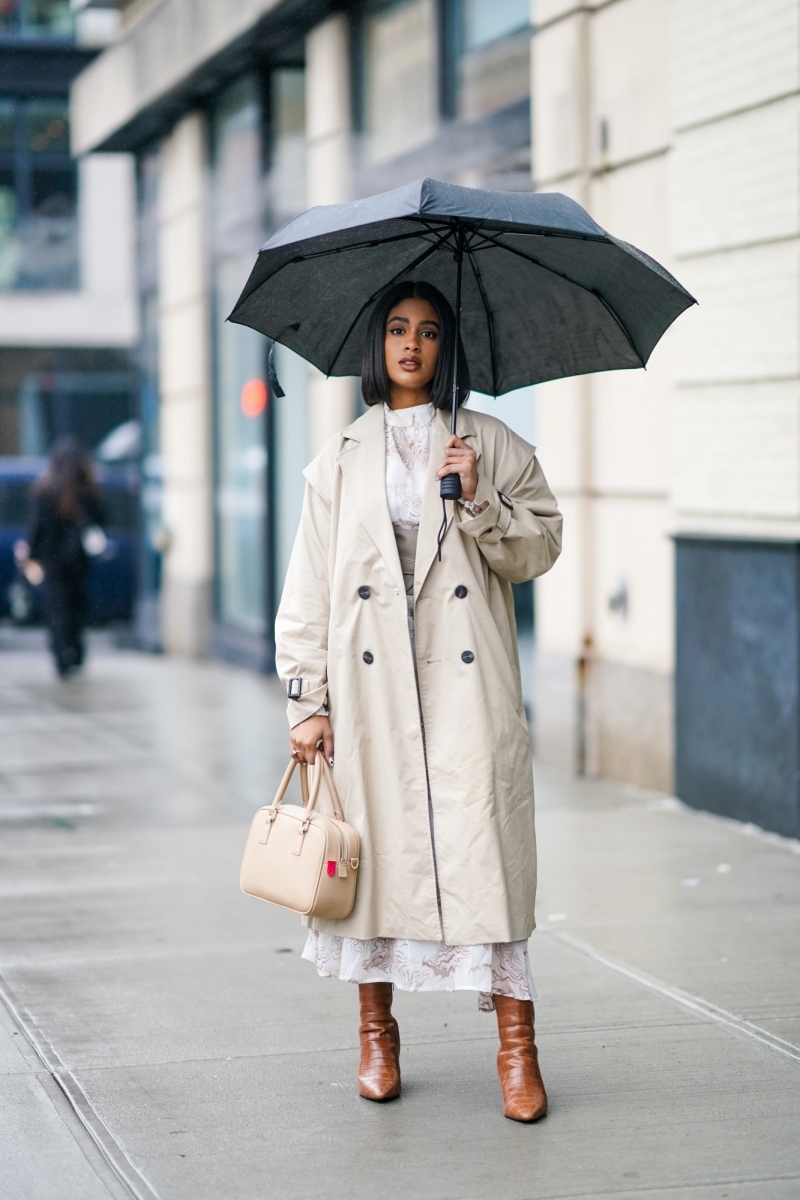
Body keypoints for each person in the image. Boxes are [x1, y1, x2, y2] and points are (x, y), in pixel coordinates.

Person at [275, 280, 562, 1121]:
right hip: (370, 695)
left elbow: (541, 548)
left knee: (488, 865)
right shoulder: (339, 459)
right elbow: (308, 591)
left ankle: (518, 1052)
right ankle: (376, 1035)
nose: (412, 345)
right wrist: (306, 700)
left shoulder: (493, 442)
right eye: (398, 329)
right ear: (377, 346)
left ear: (448, 349)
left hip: (466, 689)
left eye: (430, 332)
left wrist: (479, 499)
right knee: (369, 869)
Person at [24, 437, 105, 678]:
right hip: (79, 561)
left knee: (57, 610)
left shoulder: (45, 491)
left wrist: (30, 555)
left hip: (54, 561)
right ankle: (75, 652)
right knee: (76, 609)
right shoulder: (87, 491)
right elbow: (102, 521)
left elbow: (36, 529)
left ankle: (62, 656)